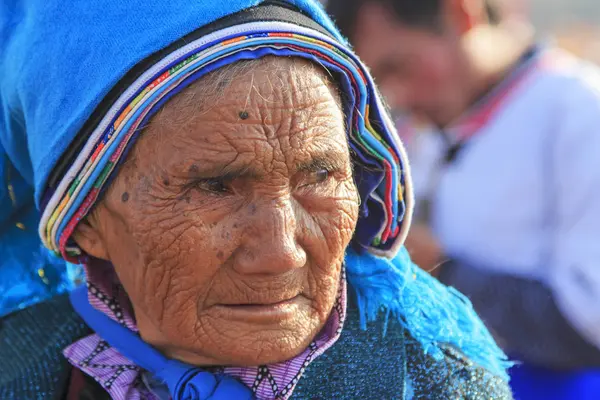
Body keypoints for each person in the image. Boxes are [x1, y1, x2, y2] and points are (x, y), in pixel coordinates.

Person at [0, 1, 513, 399]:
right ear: (83, 219)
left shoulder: (429, 381)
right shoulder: (19, 365)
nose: (282, 253)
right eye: (214, 188)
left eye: (319, 177)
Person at [327, 0, 600, 397]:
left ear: (461, 14)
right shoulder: (423, 129)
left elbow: (590, 321)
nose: (396, 96)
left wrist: (442, 270)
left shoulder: (580, 115)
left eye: (399, 67)